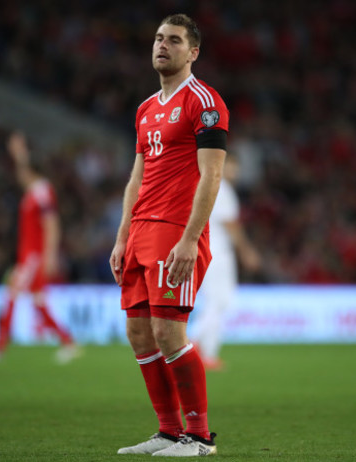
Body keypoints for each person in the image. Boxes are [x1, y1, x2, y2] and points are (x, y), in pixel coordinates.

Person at [109, 14, 228, 457]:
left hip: (175, 231)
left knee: (168, 332)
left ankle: (198, 437)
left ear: (192, 52)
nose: (163, 45)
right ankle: (167, 431)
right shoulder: (145, 109)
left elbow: (211, 177)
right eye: (159, 38)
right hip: (140, 232)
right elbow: (136, 179)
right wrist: (122, 236)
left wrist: (189, 238)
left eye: (174, 40)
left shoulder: (204, 101)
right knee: (139, 334)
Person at [0, 132, 77, 365]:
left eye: (22, 170)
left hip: (34, 256)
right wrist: (18, 155)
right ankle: (68, 342)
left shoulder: (41, 190)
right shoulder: (34, 191)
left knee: (10, 295)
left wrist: (49, 256)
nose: (18, 176)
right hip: (30, 255)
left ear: (32, 170)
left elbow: (52, 225)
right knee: (39, 302)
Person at [193, 155, 261, 370]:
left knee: (216, 302)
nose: (235, 171)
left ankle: (205, 353)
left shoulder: (207, 184)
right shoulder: (221, 188)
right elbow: (230, 224)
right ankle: (195, 345)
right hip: (217, 252)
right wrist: (247, 251)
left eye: (236, 167)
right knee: (219, 301)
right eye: (230, 166)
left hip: (205, 250)